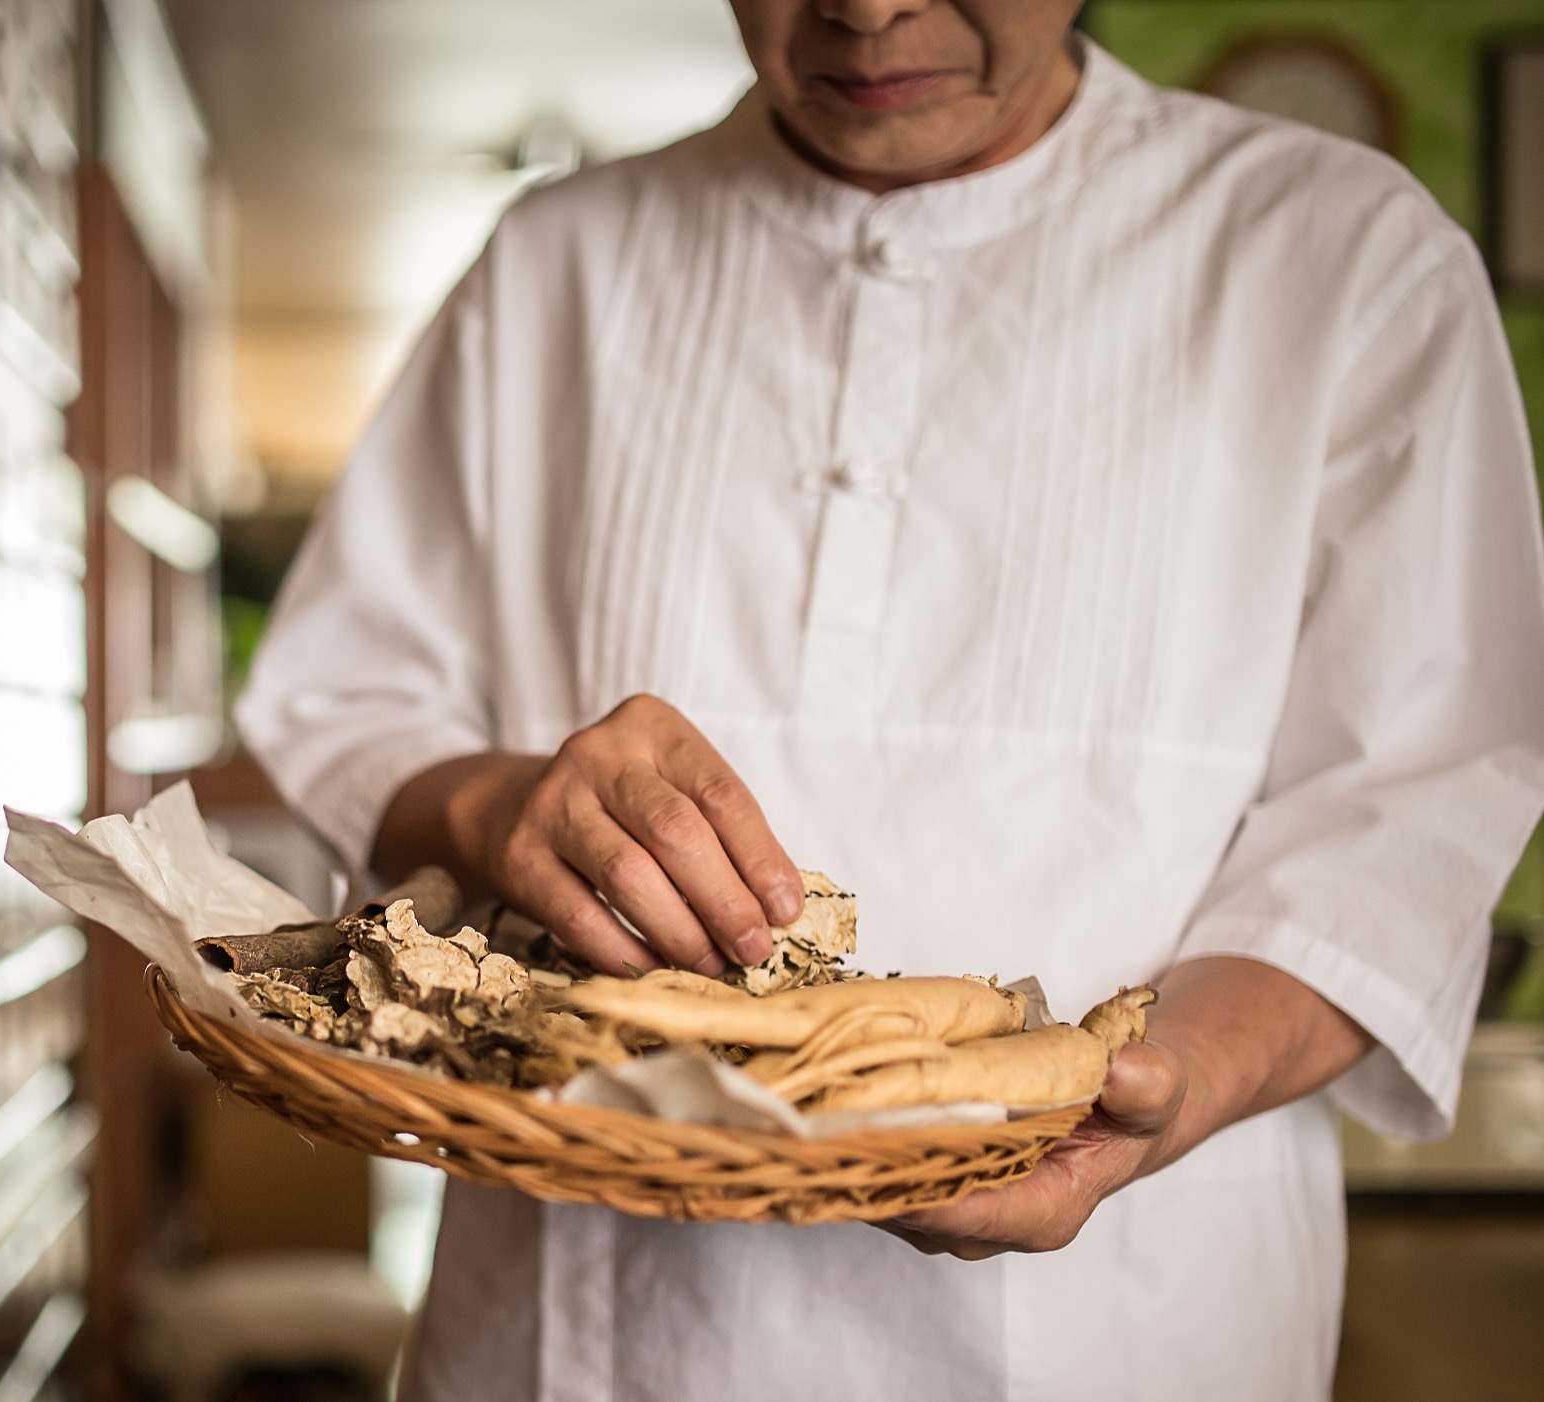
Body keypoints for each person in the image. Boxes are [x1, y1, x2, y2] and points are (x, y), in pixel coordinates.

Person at [232, 0, 1544, 1397]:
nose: (865, 7)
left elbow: (1409, 809)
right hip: (582, 1329)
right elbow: (354, 690)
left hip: (1129, 1330)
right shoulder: (557, 261)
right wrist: (497, 803)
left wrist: (1166, 1094)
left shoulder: (1343, 255)